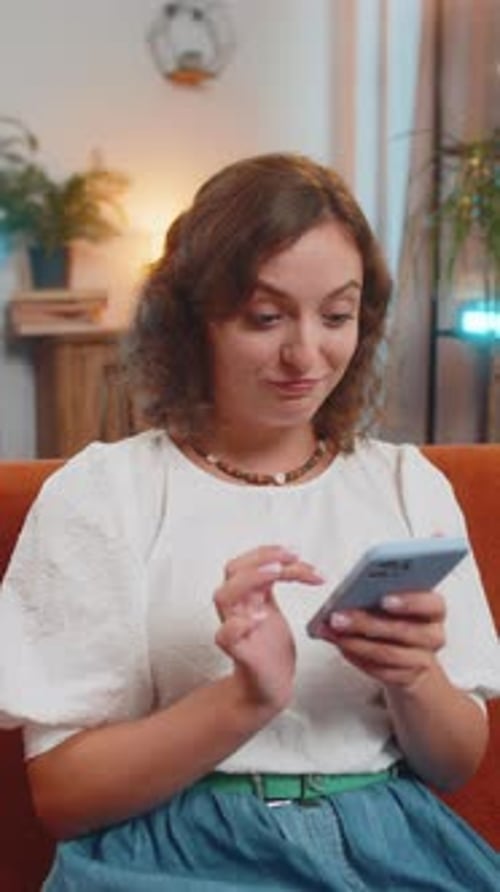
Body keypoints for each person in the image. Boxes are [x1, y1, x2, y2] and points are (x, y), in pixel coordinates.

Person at [0, 152, 499, 891]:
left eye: (337, 315)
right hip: (177, 855)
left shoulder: (406, 485)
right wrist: (243, 700)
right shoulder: (107, 493)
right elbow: (63, 798)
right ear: (192, 318)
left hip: (388, 849)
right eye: (265, 317)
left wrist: (413, 674)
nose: (306, 354)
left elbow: (455, 764)